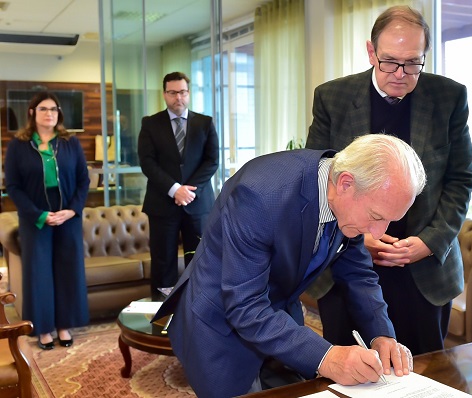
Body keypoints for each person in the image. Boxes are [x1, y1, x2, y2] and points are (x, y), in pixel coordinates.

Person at [153, 134, 425, 397]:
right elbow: (245, 306)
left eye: (389, 221)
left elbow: (359, 275)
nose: (378, 233)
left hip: (280, 316)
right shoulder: (260, 195)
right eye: (376, 217)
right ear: (345, 183)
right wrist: (327, 356)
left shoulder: (351, 203)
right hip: (221, 324)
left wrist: (382, 334)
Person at [306, 5, 472, 355]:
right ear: (371, 52)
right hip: (347, 262)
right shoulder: (332, 98)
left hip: (422, 272)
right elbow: (319, 175)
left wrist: (430, 241)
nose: (400, 73)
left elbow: (460, 179)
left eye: (413, 63)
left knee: (424, 373)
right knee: (348, 372)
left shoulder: (448, 97)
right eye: (390, 61)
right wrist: (355, 233)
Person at [4, 91, 90, 350]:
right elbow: (13, 186)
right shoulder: (18, 145)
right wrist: (38, 214)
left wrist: (72, 211)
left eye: (54, 109)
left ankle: (64, 326)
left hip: (67, 217)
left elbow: (83, 180)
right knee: (39, 273)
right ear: (32, 113)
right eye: (43, 109)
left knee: (67, 271)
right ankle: (43, 330)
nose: (50, 113)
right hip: (35, 218)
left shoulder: (70, 142)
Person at [138, 71, 219, 294]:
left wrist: (188, 191)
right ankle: (162, 317)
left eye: (182, 92)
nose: (178, 98)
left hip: (198, 203)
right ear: (164, 94)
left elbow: (212, 161)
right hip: (162, 205)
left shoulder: (205, 123)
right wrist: (175, 190)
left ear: (189, 93)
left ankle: (199, 312)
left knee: (201, 261)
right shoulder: (150, 124)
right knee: (163, 263)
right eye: (173, 93)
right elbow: (147, 162)